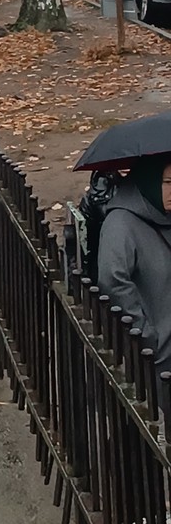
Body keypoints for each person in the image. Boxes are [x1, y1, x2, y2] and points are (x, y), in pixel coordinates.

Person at [98, 156, 171, 380]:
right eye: (169, 182)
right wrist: (147, 336)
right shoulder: (121, 223)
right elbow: (113, 281)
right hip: (154, 358)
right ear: (150, 180)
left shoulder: (164, 215)